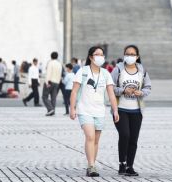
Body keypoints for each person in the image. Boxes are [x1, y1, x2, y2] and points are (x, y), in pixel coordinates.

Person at [70, 46, 119, 177]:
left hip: (99, 111)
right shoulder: (83, 71)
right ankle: (91, 166)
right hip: (84, 110)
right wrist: (72, 108)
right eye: (97, 54)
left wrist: (115, 110)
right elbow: (74, 91)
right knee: (90, 136)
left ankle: (91, 164)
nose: (100, 57)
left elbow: (111, 94)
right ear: (91, 57)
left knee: (96, 140)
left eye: (102, 55)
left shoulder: (105, 73)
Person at [111, 45, 151, 176]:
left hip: (136, 110)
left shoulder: (142, 71)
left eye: (133, 54)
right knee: (125, 135)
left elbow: (148, 87)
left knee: (133, 139)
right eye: (127, 54)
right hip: (120, 108)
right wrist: (123, 90)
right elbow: (110, 87)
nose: (130, 56)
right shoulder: (118, 69)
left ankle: (129, 166)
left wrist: (141, 92)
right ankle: (122, 163)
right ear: (124, 55)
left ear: (137, 56)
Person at [42, 52, 62, 116]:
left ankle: (50, 109)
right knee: (53, 98)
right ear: (57, 56)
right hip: (57, 82)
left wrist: (47, 82)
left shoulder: (50, 63)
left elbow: (48, 72)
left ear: (51, 56)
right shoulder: (59, 64)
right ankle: (53, 111)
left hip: (50, 81)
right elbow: (60, 74)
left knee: (44, 96)